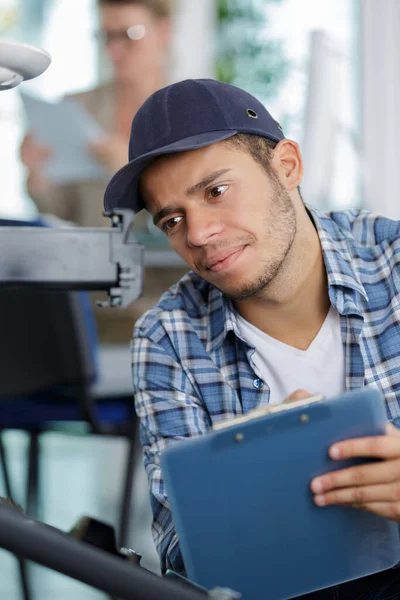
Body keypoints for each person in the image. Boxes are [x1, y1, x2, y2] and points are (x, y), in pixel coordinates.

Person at [104, 78, 400, 599]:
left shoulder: (393, 262)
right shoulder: (166, 337)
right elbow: (182, 545)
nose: (197, 234)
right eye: (172, 219)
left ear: (286, 166)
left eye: (216, 192)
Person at [19, 0, 188, 343]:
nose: (114, 49)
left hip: (162, 292)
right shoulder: (79, 106)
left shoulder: (188, 111)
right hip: (88, 287)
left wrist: (130, 171)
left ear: (164, 32)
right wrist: (37, 174)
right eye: (106, 36)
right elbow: (63, 207)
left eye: (129, 35)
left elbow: (196, 216)